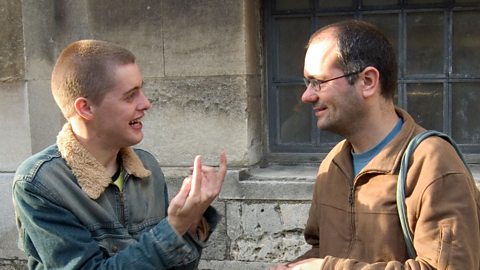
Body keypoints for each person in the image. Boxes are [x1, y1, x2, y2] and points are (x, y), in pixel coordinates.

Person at [271, 20, 480, 269]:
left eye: (318, 82)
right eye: (307, 83)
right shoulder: (333, 164)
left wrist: (330, 268)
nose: (307, 96)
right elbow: (321, 248)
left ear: (368, 81)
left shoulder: (432, 163)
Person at [12, 39, 227, 269]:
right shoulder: (39, 183)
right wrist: (174, 227)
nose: (146, 103)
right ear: (85, 108)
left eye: (141, 90)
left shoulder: (147, 167)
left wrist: (192, 221)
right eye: (130, 95)